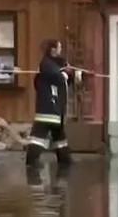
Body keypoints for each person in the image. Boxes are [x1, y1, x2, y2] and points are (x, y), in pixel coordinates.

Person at [26, 39, 80, 167]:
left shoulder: (56, 64)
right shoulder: (46, 64)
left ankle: (65, 159)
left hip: (57, 109)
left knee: (59, 136)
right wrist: (66, 73)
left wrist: (72, 73)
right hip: (48, 107)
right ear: (53, 49)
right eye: (59, 47)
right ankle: (31, 160)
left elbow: (66, 80)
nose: (61, 50)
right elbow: (58, 78)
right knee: (39, 136)